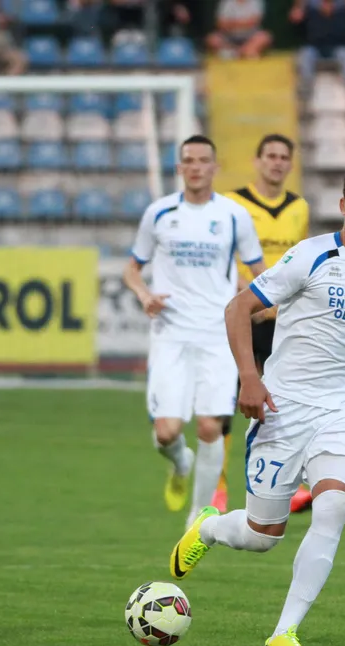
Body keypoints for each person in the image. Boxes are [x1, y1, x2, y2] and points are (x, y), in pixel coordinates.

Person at [169, 163, 345, 646]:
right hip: (284, 410)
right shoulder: (310, 256)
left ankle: (284, 632)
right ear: (342, 204)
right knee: (262, 535)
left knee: (333, 506)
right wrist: (250, 377)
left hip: (341, 413)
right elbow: (238, 309)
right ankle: (209, 527)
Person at [124, 135, 266, 530]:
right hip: (170, 334)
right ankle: (180, 462)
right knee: (166, 432)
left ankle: (198, 520)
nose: (197, 167)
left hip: (218, 334)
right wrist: (144, 295)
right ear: (179, 168)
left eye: (204, 160)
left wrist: (272, 303)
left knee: (209, 425)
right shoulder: (159, 213)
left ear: (214, 167)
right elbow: (132, 268)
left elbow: (260, 271)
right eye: (189, 160)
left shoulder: (234, 216)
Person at [216, 134, 312, 517]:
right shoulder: (233, 203)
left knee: (283, 401)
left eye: (283, 157)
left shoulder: (299, 207)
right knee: (227, 399)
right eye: (270, 156)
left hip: (281, 319)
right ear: (257, 161)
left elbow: (301, 258)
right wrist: (248, 293)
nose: (276, 162)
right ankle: (218, 486)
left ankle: (287, 485)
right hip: (243, 312)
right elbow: (220, 257)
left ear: (290, 164)